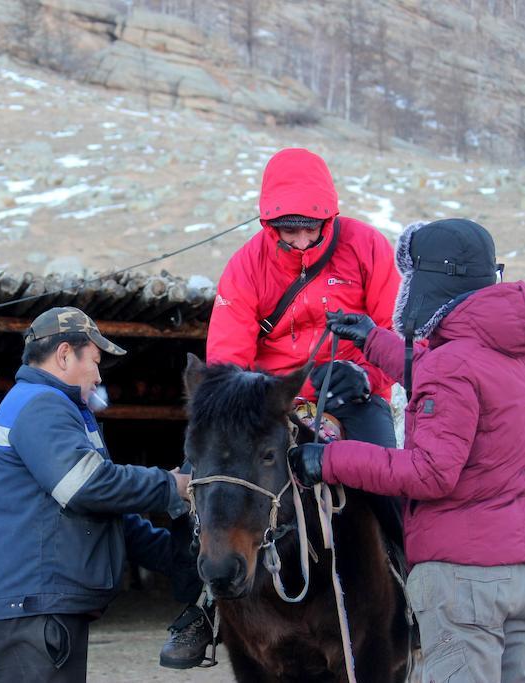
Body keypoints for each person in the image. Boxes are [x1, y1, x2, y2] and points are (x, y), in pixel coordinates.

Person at [159, 147, 403, 668]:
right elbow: (226, 356)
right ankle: (203, 608)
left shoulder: (369, 248)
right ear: (269, 222)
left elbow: (390, 330)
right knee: (202, 484)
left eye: (309, 228)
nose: (298, 239)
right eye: (286, 229)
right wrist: (249, 402)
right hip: (269, 402)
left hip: (350, 391)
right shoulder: (247, 264)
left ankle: (417, 587)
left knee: (395, 480)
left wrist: (367, 376)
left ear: (329, 216)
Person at [289, 218, 525, 681]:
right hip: (521, 574)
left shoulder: (451, 366)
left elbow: (431, 473)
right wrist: (372, 340)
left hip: (463, 579)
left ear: (431, 281)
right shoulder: (517, 354)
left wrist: (330, 460)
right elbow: (456, 380)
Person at [0, 307, 192, 682]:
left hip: (40, 608)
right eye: (94, 360)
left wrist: (183, 557)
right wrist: (171, 486)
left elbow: (108, 518)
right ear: (63, 355)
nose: (99, 374)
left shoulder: (56, 408)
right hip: (32, 612)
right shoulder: (41, 404)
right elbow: (87, 487)